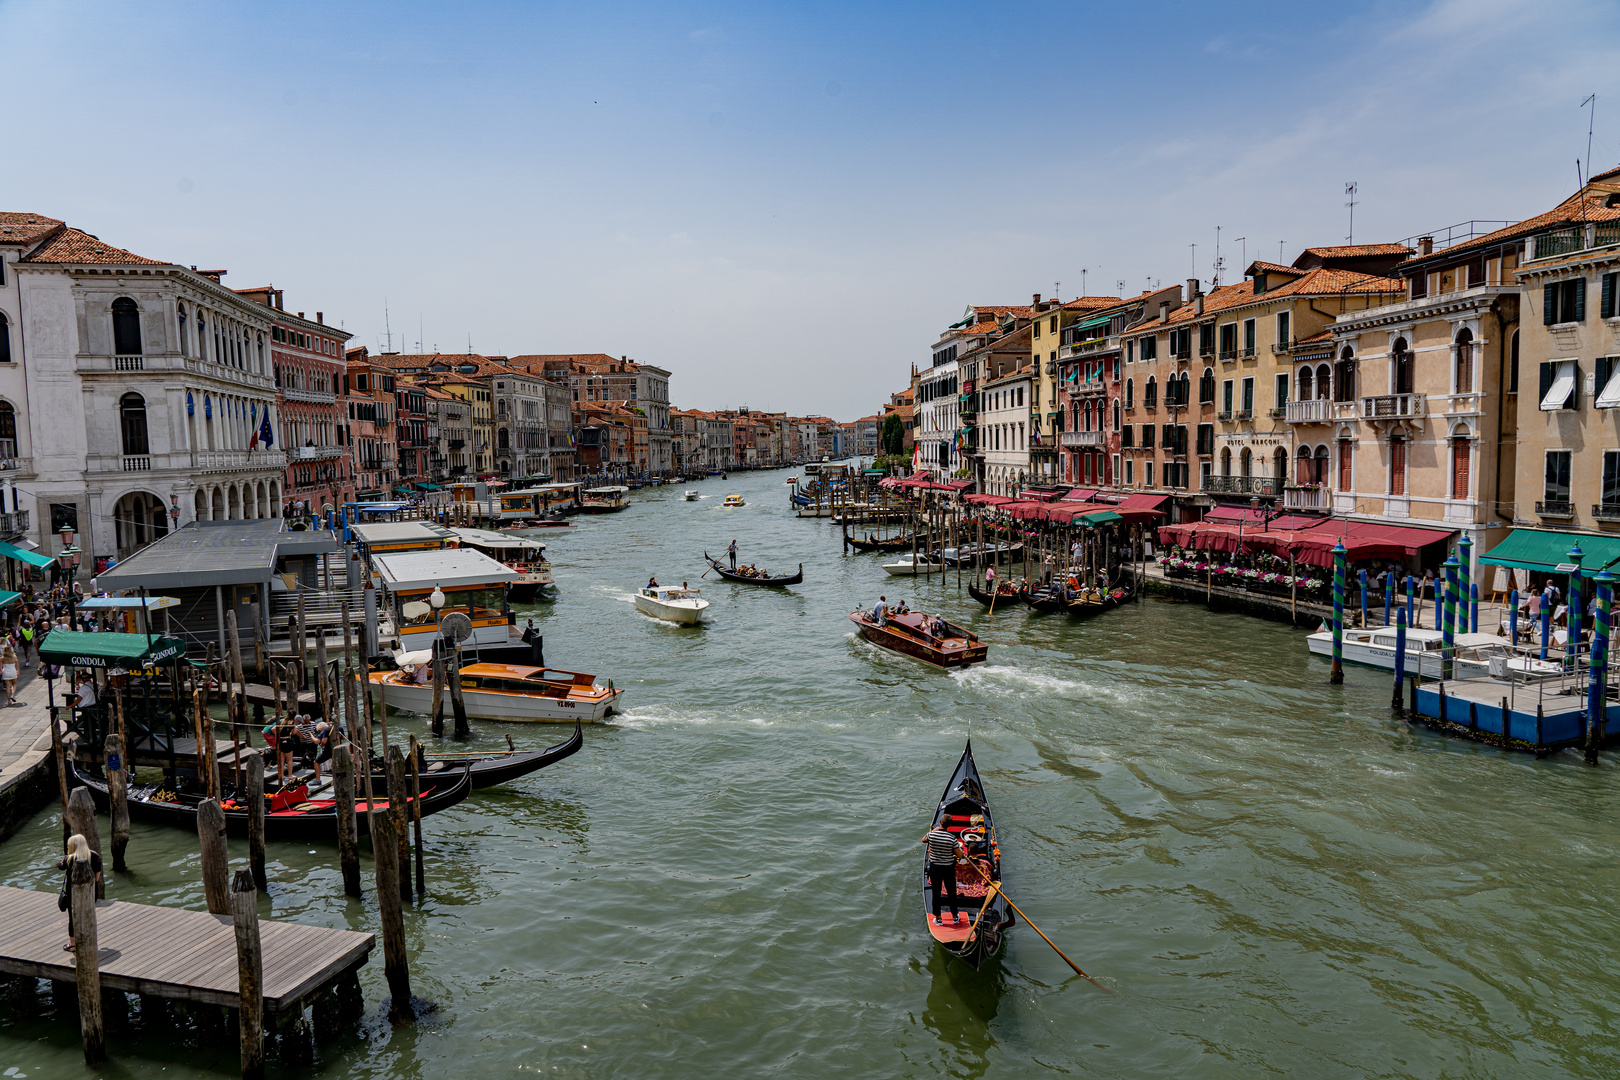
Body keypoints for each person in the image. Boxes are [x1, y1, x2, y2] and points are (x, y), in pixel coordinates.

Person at [57, 833, 103, 950]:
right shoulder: (95, 856)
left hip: (73, 893)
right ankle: (89, 940)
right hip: (91, 892)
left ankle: (73, 944)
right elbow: (97, 875)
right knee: (88, 915)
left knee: (73, 918)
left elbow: (60, 866)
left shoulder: (69, 859)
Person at [922, 819, 964, 926]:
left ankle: (938, 918)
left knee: (936, 892)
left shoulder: (931, 835)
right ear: (949, 825)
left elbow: (923, 840)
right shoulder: (952, 838)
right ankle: (955, 916)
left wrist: (934, 830)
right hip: (948, 868)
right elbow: (959, 856)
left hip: (935, 868)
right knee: (951, 892)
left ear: (940, 821)